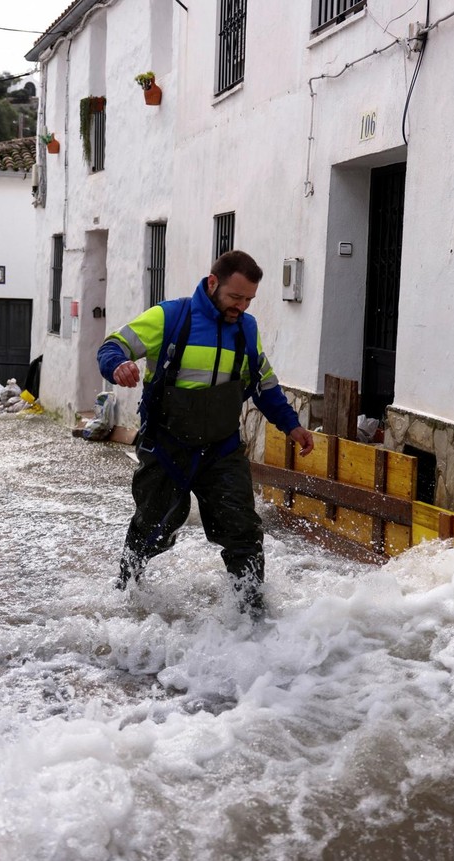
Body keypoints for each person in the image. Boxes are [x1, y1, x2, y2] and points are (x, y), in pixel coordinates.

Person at [97, 250, 313, 619]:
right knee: (155, 527)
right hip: (166, 446)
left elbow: (264, 385)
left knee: (242, 529)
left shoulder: (246, 329)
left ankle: (251, 613)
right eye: (235, 297)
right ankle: (127, 591)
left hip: (221, 449)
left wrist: (291, 425)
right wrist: (118, 365)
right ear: (213, 283)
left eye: (248, 300)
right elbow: (111, 346)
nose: (240, 306)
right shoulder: (169, 317)